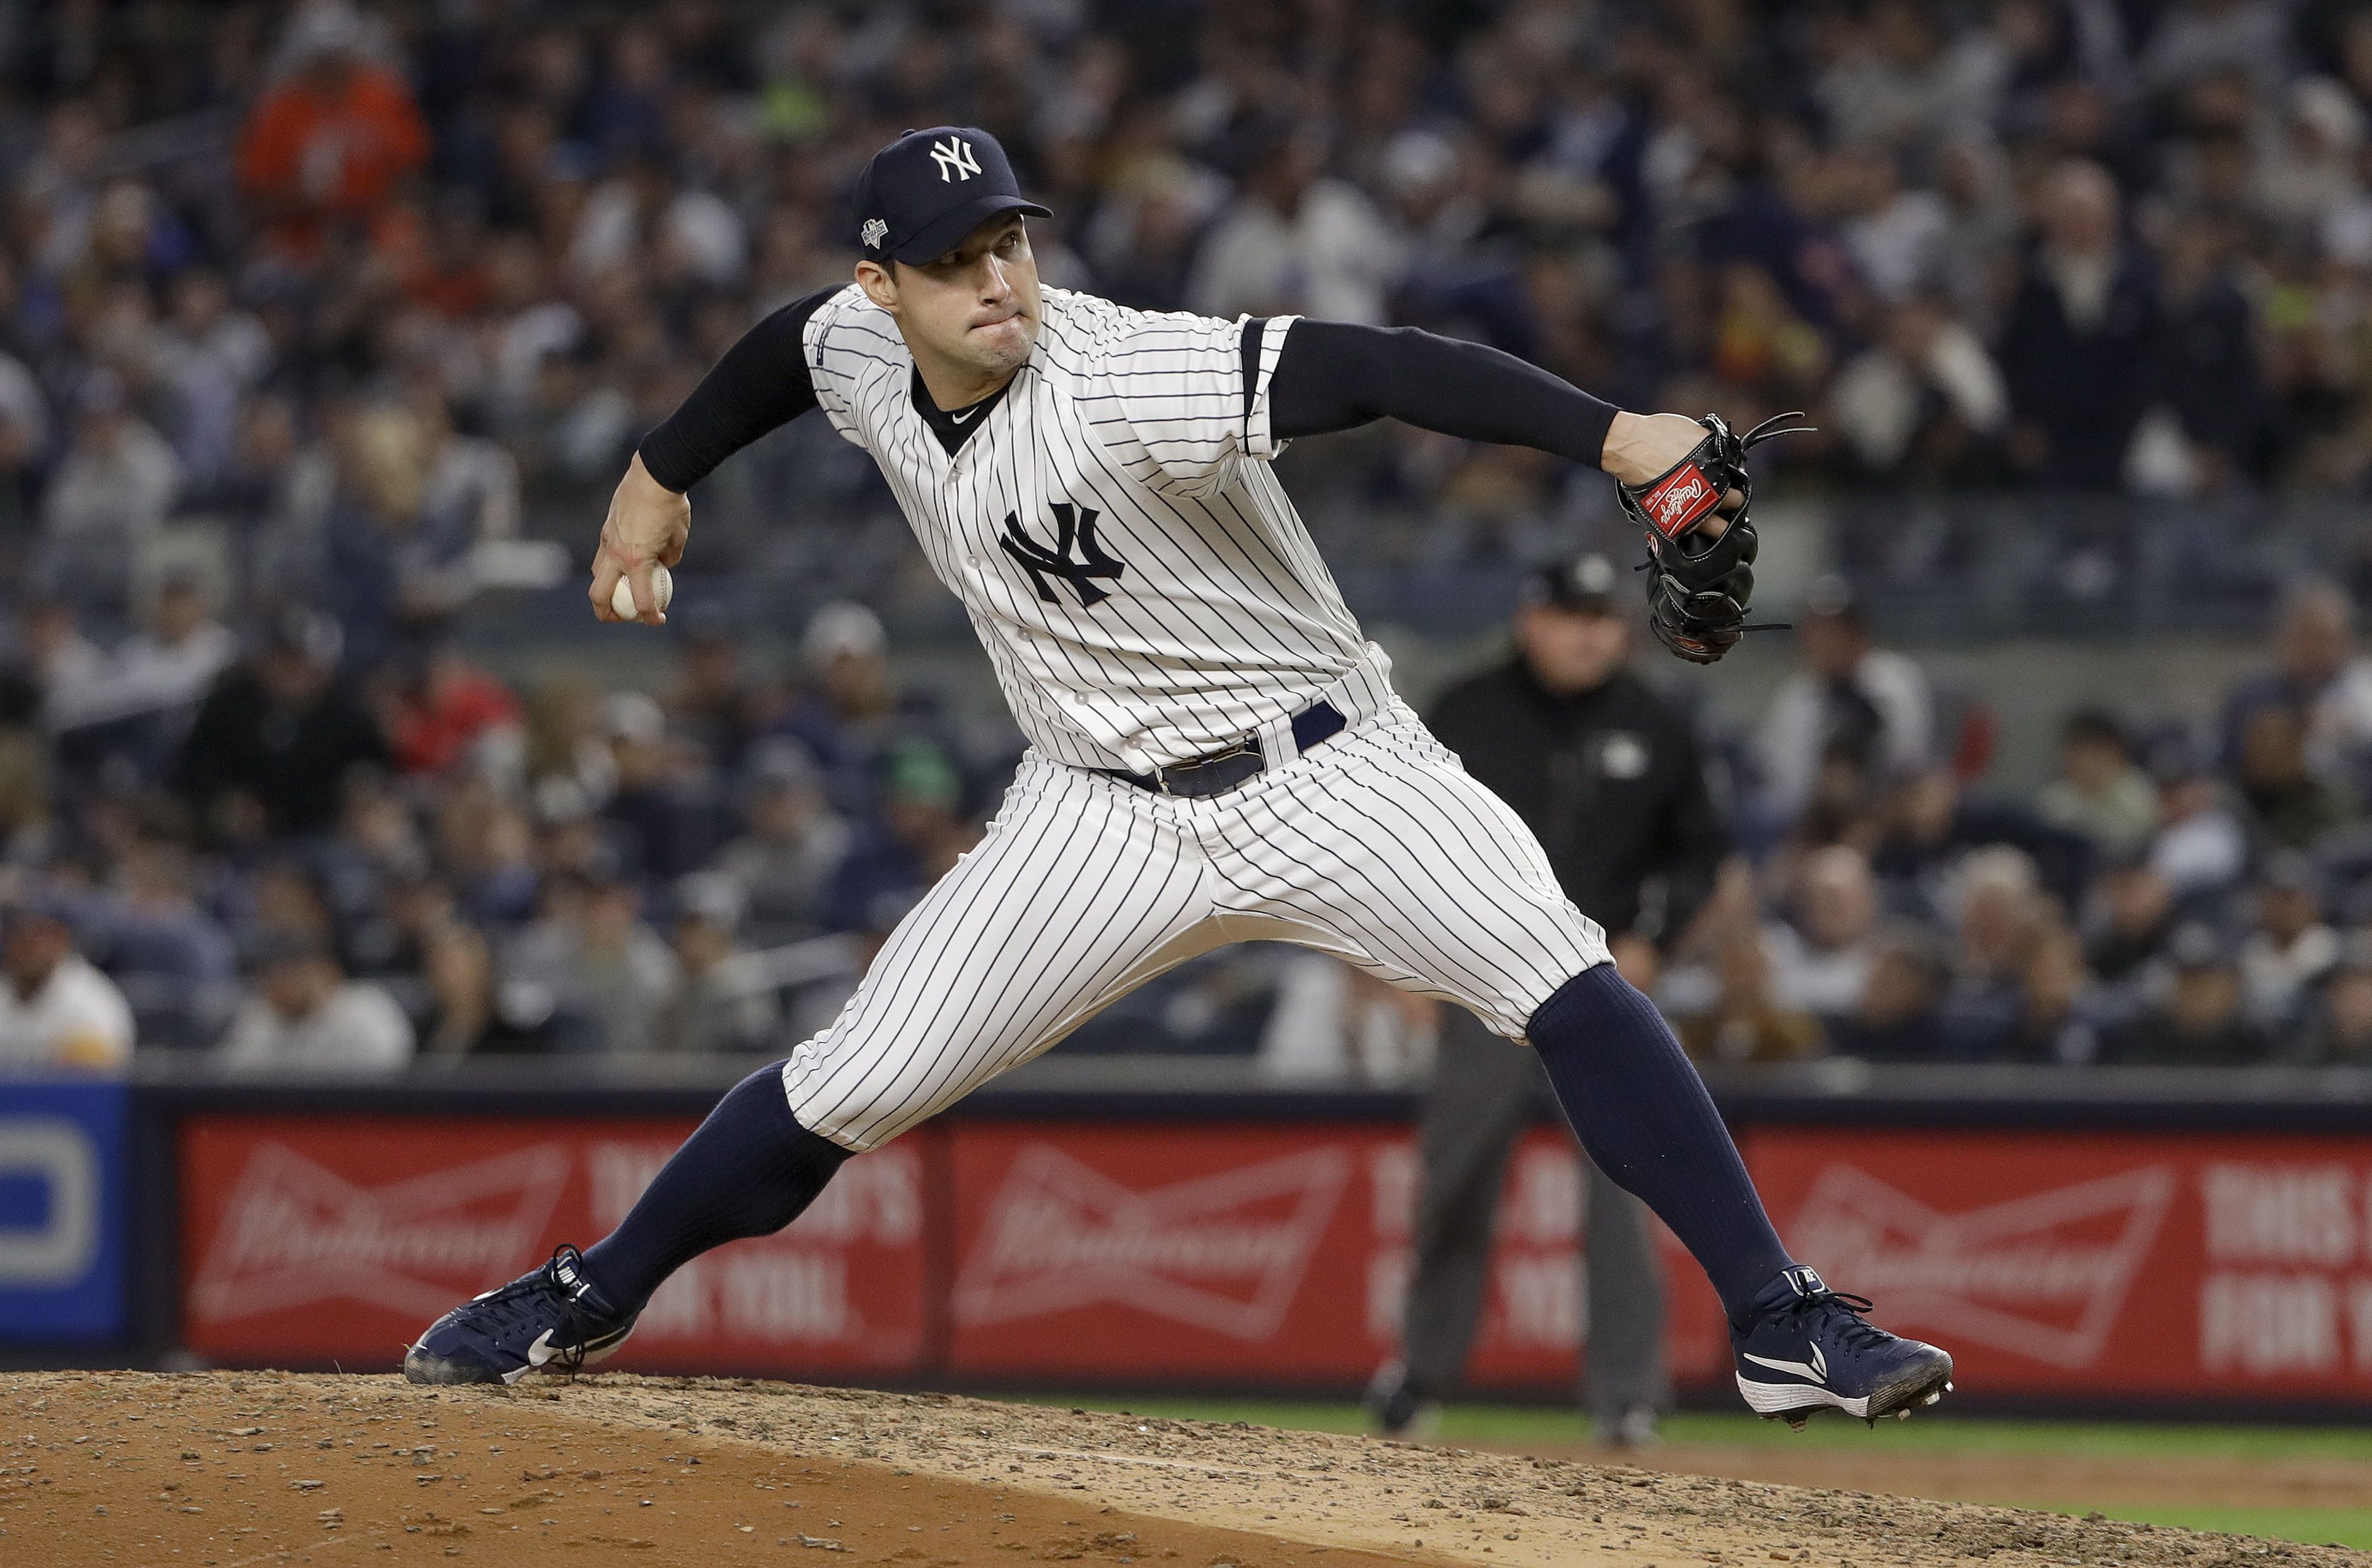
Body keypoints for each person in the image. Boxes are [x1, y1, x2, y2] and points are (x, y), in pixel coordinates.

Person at [405, 125, 1952, 1427]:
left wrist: (1616, 436)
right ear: (887, 285)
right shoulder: (861, 344)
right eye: (955, 258)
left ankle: (1774, 1317)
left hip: (1325, 766)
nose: (999, 277)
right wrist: (655, 474)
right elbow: (776, 359)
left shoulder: (1120, 372)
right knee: (851, 1080)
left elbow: (1375, 366)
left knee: (1561, 973)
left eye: (1010, 239)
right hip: (1094, 810)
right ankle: (594, 1291)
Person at [1364, 554, 1726, 1448]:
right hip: (1478, 976)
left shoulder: (1654, 722)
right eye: (1569, 613)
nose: (1588, 630)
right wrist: (1402, 960)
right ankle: (1421, 1370)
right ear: (1530, 619)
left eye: (1602, 616)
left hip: (1600, 982)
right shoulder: (1464, 709)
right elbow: (1399, 838)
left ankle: (1626, 1394)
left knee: (1624, 1182)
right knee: (1455, 1178)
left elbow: (1698, 850)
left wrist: (1657, 928)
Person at [218, 931, 415, 1074]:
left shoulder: (365, 1007)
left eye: (291, 973)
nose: (279, 984)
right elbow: (231, 1075)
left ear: (323, 971)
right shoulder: (260, 1015)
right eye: (271, 975)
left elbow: (389, 1070)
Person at [0, 898, 135, 1073]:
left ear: (61, 940)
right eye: (18, 937)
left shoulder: (91, 1001)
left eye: (36, 938)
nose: (26, 949)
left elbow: (97, 1083)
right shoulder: (5, 987)